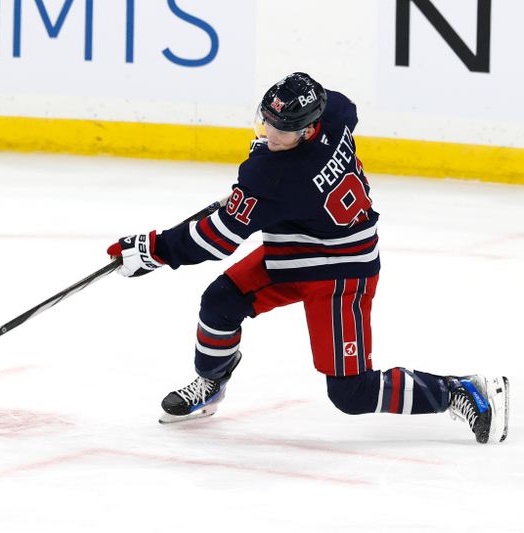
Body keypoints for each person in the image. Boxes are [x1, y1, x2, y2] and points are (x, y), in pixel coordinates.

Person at [106, 72, 509, 444]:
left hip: (342, 272)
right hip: (299, 247)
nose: (270, 132)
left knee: (351, 393)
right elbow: (344, 109)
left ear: (308, 129)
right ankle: (211, 383)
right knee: (221, 302)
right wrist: (254, 199)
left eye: (282, 129)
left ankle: (459, 390)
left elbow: (216, 240)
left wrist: (151, 249)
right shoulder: (332, 113)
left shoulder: (274, 177)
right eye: (268, 121)